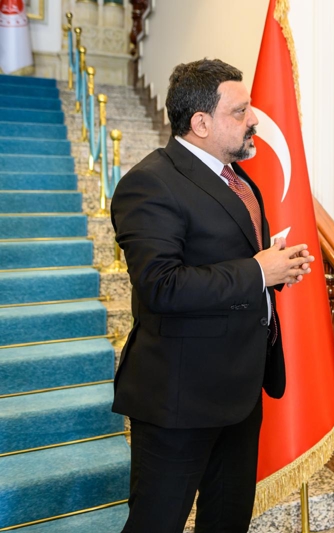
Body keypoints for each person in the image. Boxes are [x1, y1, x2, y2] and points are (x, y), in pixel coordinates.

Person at [110, 58, 314, 533]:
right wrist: (257, 271)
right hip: (179, 396)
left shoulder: (238, 179)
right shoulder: (149, 182)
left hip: (240, 389)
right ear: (201, 123)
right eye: (240, 111)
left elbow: (233, 261)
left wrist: (276, 270)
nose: (254, 119)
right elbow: (161, 285)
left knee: (227, 521)